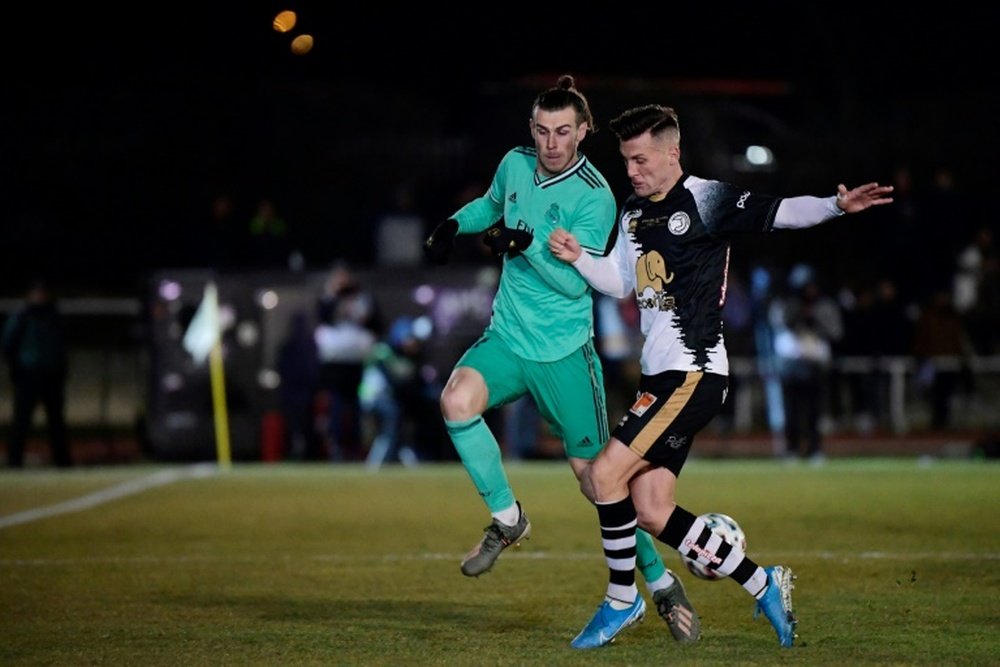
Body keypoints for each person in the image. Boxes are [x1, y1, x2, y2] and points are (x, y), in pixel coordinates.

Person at [548, 104, 894, 649]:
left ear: (671, 153)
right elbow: (618, 282)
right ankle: (764, 583)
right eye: (626, 161)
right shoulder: (634, 213)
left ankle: (623, 600)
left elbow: (780, 211)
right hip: (659, 379)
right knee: (651, 510)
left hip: (694, 373)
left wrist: (835, 205)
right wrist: (576, 257)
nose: (632, 171)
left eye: (640, 160)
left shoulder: (706, 198)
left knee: (600, 478)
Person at [423, 76, 698, 643]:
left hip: (564, 354)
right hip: (508, 337)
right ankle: (508, 518)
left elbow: (580, 289)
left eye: (563, 132)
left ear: (583, 132)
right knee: (455, 402)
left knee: (601, 482)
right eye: (543, 131)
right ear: (532, 130)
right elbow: (491, 205)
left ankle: (660, 581)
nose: (552, 143)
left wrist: (522, 247)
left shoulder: (595, 197)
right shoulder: (514, 164)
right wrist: (456, 224)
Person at [1, 279, 72, 468]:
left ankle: (62, 461)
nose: (39, 296)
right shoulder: (22, 317)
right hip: (28, 375)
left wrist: (61, 368)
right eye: (36, 292)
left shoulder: (54, 316)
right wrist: (16, 369)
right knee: (21, 421)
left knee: (56, 421)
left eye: (42, 292)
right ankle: (14, 460)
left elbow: (62, 344)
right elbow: (9, 343)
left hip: (51, 374)